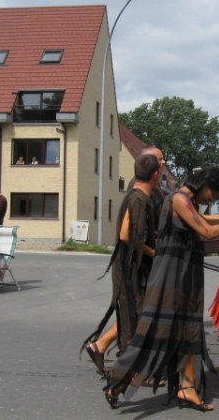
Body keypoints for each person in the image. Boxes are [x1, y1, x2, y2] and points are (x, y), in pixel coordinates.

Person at [104, 168, 219, 411]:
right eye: (215, 193)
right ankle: (117, 382)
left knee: (190, 331)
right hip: (170, 277)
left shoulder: (186, 201)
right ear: (206, 184)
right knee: (155, 332)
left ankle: (188, 389)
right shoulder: (178, 199)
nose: (212, 199)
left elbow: (206, 221)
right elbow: (207, 231)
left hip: (185, 275)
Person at [81, 154, 161, 380]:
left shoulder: (140, 197)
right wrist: (156, 254)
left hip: (134, 266)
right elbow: (126, 235)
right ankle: (127, 373)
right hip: (128, 267)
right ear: (156, 175)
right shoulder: (138, 199)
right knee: (135, 316)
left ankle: (101, 348)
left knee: (139, 313)